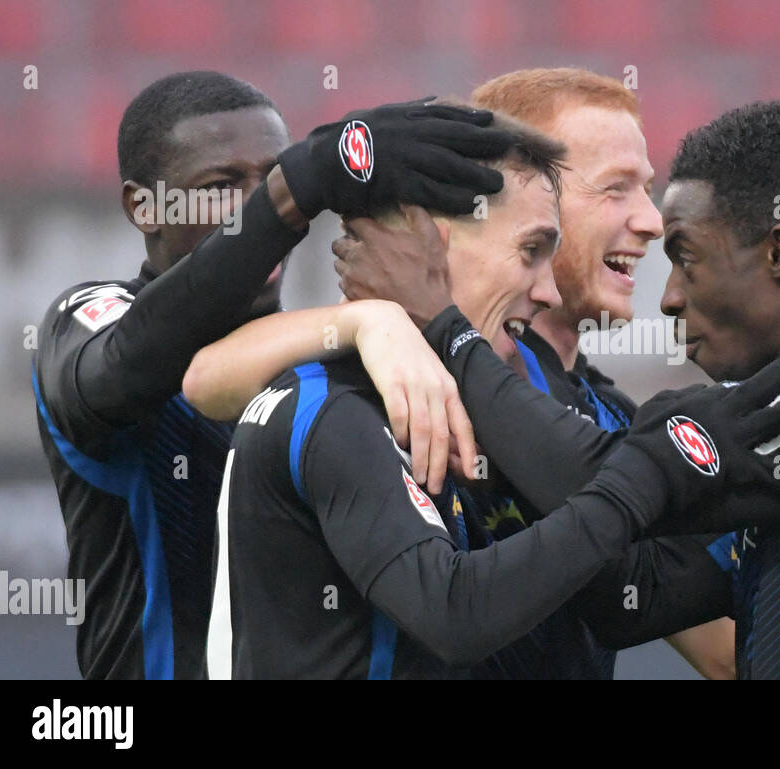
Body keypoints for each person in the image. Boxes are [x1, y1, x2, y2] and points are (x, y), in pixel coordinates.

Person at [390, 100, 780, 679]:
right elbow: (635, 599)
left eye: (687, 258)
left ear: (779, 253)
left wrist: (445, 328)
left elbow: (605, 478)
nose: (670, 297)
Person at [198, 113, 780, 677]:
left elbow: (649, 598)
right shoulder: (330, 407)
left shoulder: (514, 394)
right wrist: (635, 485)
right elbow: (452, 614)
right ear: (431, 242)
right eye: (530, 252)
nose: (548, 292)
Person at [31, 70, 510, 678]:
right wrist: (296, 191)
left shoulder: (342, 358)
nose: (260, 208)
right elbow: (122, 370)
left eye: (270, 178)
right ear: (142, 206)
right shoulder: (90, 322)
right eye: (223, 185)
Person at [334, 68, 731, 678]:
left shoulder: (611, 414)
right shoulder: (396, 379)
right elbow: (214, 374)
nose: (653, 220)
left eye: (647, 189)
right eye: (616, 188)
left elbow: (717, 650)